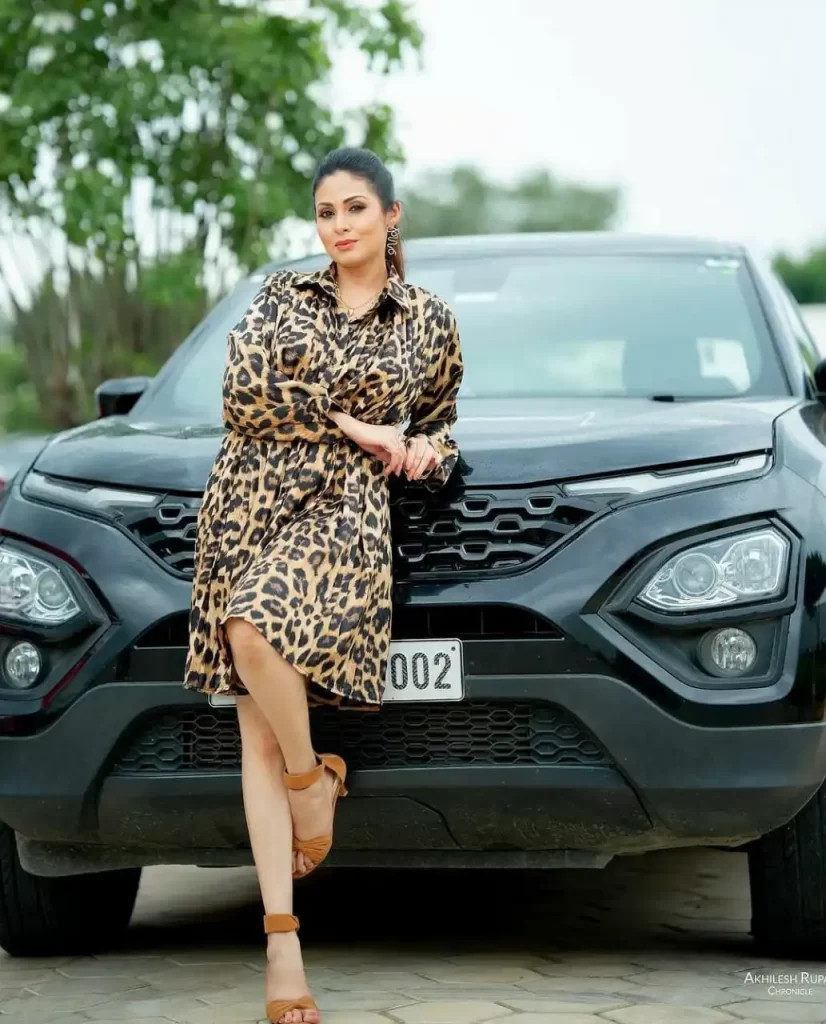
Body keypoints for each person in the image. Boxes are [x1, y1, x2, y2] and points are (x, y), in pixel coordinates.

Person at [183, 146, 464, 1024]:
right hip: (246, 500)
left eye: (355, 209)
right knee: (254, 734)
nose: (339, 226)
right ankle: (283, 943)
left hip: (340, 515)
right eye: (326, 212)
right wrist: (359, 426)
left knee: (250, 630)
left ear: (391, 215)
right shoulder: (282, 295)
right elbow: (242, 393)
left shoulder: (428, 320)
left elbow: (441, 423)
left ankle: (312, 784)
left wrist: (423, 450)